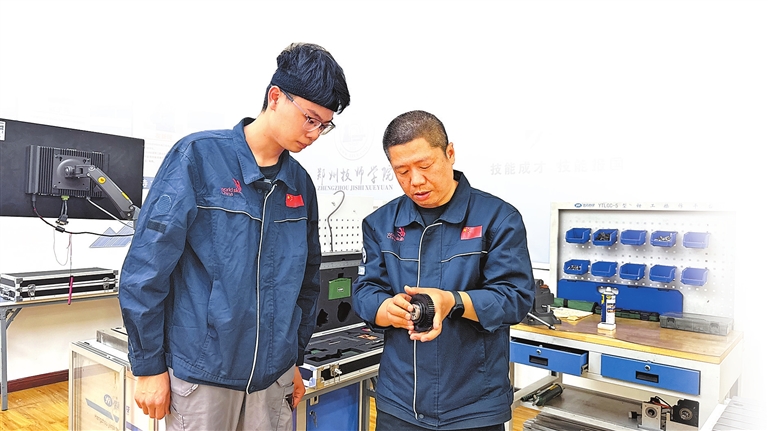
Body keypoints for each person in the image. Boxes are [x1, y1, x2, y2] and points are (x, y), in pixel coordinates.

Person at [118, 42, 350, 431]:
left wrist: (294, 359)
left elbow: (307, 283)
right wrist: (148, 365)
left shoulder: (300, 184)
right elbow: (146, 270)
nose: (314, 133)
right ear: (275, 97)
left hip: (273, 379)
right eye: (310, 119)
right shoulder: (197, 158)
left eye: (324, 125)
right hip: (203, 376)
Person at [352, 110, 535, 430]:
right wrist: (385, 309)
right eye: (402, 171)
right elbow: (365, 290)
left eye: (424, 166)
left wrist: (452, 301)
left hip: (473, 407)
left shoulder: (497, 218)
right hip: (400, 402)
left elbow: (515, 298)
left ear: (450, 153)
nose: (415, 181)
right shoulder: (381, 223)